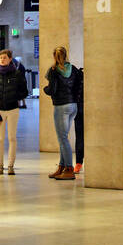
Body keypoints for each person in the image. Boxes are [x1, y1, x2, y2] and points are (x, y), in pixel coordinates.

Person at [43, 46, 82, 180]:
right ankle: (62, 167)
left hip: (61, 106)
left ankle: (69, 170)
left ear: (55, 56)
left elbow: (52, 90)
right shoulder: (74, 69)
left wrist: (45, 89)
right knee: (63, 138)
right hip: (73, 106)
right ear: (65, 55)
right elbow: (79, 86)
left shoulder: (53, 71)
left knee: (63, 138)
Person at [0, 48, 28, 175]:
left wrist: (14, 96)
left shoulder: (17, 74)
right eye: (1, 58)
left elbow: (25, 91)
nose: (2, 60)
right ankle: (0, 166)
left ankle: (11, 165)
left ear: (10, 59)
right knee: (0, 139)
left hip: (13, 109)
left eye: (5, 58)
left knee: (12, 138)